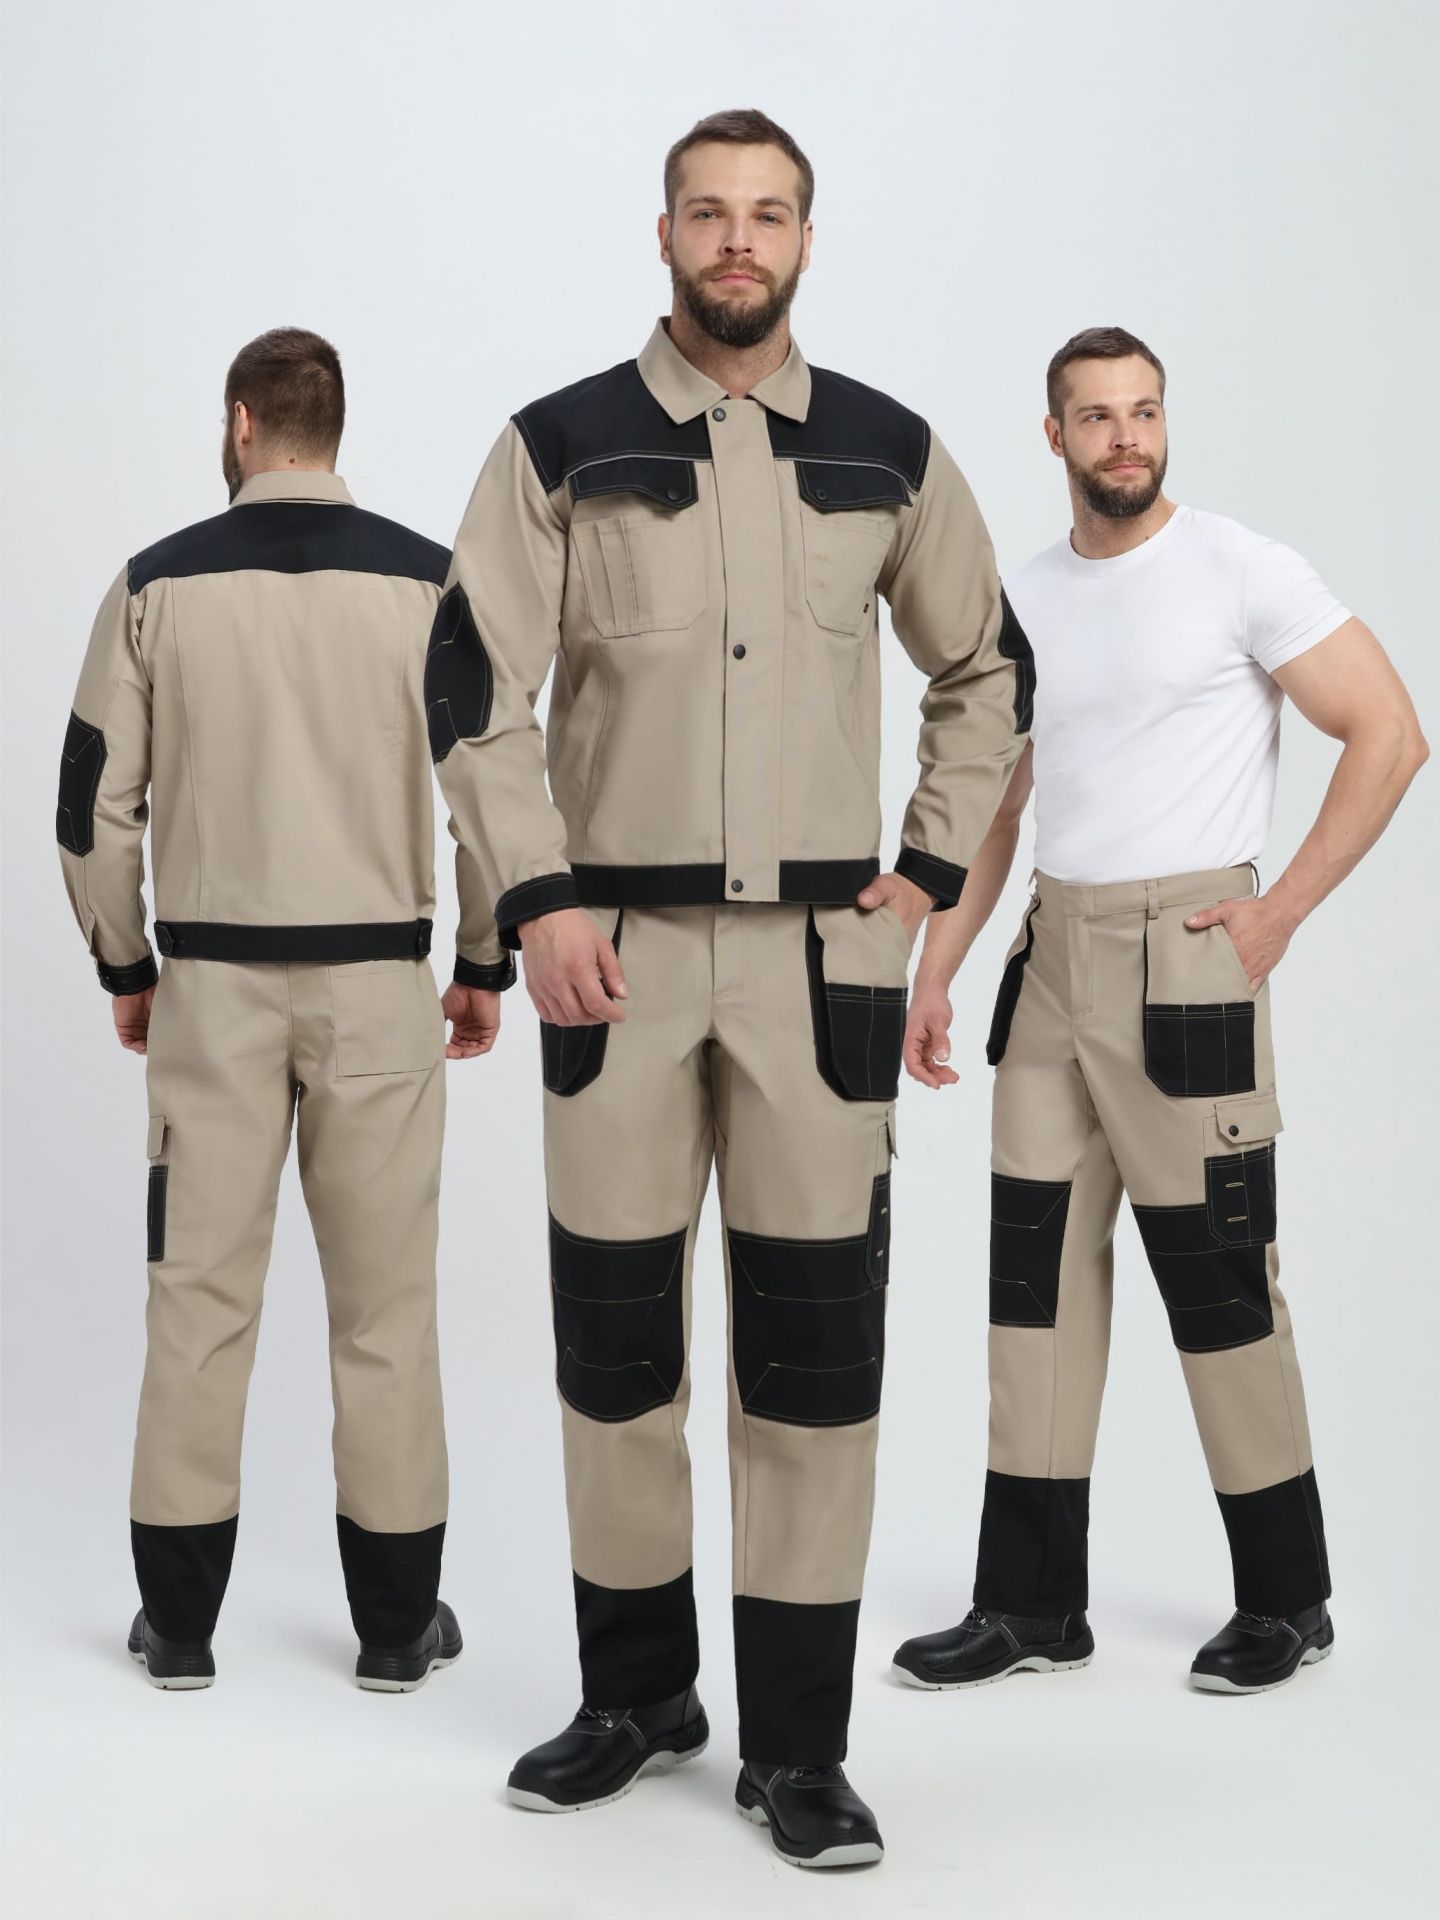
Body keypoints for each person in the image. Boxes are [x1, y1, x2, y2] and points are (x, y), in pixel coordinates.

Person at [432, 108, 1031, 1866]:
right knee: (618, 1354)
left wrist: (925, 872)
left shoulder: (887, 451)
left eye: (769, 213)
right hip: (609, 964)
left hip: (819, 977)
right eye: (709, 212)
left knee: (813, 1364)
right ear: (666, 235)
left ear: (808, 240)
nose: (739, 239)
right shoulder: (560, 444)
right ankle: (638, 1699)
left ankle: (800, 1750)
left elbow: (989, 671)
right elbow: (468, 682)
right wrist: (535, 898)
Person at [892, 325, 1427, 1698]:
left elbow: (1390, 731)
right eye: (1096, 416)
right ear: (1055, 436)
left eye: (1143, 412)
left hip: (1189, 959)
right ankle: (1028, 1605)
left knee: (1220, 1280)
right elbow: (1000, 807)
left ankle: (1288, 1600)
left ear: (1164, 423)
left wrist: (1279, 910)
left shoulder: (1243, 570)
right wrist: (937, 969)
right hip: (1050, 965)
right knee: (1033, 1287)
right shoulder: (1020, 599)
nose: (1124, 436)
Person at [57, 327, 514, 1692]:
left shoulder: (157, 584)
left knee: (197, 1303)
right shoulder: (430, 582)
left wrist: (126, 967)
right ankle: (395, 1633)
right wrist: (481, 959)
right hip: (379, 990)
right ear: (334, 426)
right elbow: (494, 789)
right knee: (387, 1312)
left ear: (243, 424)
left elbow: (90, 805)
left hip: (213, 991)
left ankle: (180, 1631)